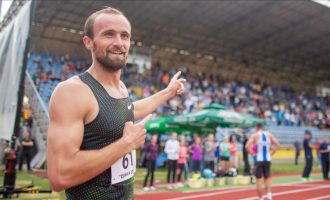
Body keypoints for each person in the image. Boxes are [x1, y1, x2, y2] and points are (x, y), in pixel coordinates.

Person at [47, 7, 185, 199]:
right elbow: (59, 175)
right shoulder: (72, 92)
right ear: (89, 42)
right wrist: (126, 144)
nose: (118, 43)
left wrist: (168, 92)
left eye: (124, 36)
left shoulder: (120, 87)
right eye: (109, 35)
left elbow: (125, 111)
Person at [245, 123, 280, 200]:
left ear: (257, 127)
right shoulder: (269, 134)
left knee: (259, 180)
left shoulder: (255, 135)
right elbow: (278, 145)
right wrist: (271, 154)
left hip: (259, 159)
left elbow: (247, 146)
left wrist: (253, 154)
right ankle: (269, 196)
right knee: (267, 179)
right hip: (267, 159)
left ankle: (261, 198)